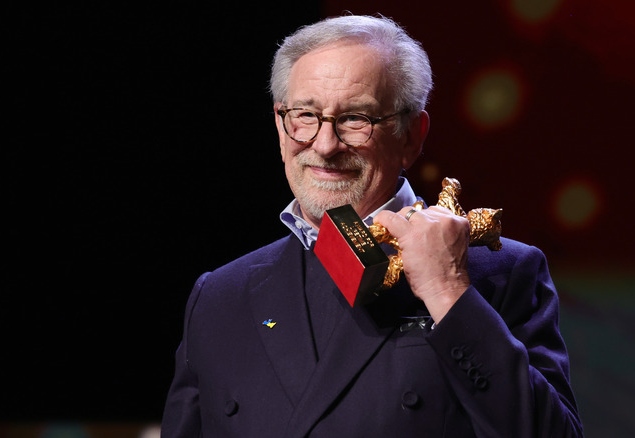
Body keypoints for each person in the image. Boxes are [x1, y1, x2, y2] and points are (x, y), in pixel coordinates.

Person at [161, 14, 583, 437]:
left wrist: (447, 290)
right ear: (280, 124)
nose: (325, 146)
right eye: (305, 115)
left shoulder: (501, 273)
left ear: (411, 136)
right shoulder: (219, 296)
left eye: (355, 119)